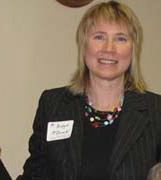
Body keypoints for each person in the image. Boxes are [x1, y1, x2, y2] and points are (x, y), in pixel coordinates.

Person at [17, 1, 161, 180]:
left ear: (133, 49)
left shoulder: (156, 111)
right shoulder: (53, 104)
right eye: (99, 37)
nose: (109, 48)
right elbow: (34, 175)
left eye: (121, 38)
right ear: (84, 45)